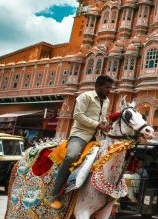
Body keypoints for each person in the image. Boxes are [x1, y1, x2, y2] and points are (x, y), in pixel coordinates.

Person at [49, 75, 114, 209]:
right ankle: (55, 194)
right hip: (80, 135)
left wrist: (105, 126)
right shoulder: (85, 97)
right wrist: (97, 125)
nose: (109, 90)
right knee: (71, 156)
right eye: (107, 87)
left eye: (110, 88)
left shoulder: (106, 101)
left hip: (97, 138)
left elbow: (101, 119)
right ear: (98, 86)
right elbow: (77, 115)